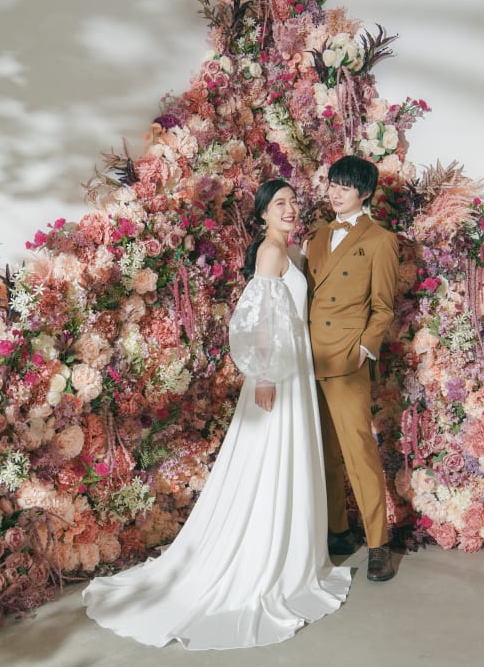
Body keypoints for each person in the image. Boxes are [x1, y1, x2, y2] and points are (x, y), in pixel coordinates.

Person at [82, 180, 351, 649]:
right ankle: (264, 557)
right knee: (268, 459)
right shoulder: (270, 253)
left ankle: (291, 551)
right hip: (278, 374)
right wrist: (264, 375)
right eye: (279, 204)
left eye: (292, 202)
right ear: (263, 214)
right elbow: (259, 321)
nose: (289, 210)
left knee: (282, 459)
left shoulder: (291, 250)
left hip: (296, 366)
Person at [305, 155, 399, 582]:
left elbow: (382, 307)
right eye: (332, 184)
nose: (335, 193)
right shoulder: (318, 236)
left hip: (346, 357)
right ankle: (339, 531)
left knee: (358, 451)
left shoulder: (380, 240)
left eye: (344, 186)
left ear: (363, 192)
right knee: (323, 450)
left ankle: (379, 543)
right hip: (310, 356)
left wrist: (365, 347)